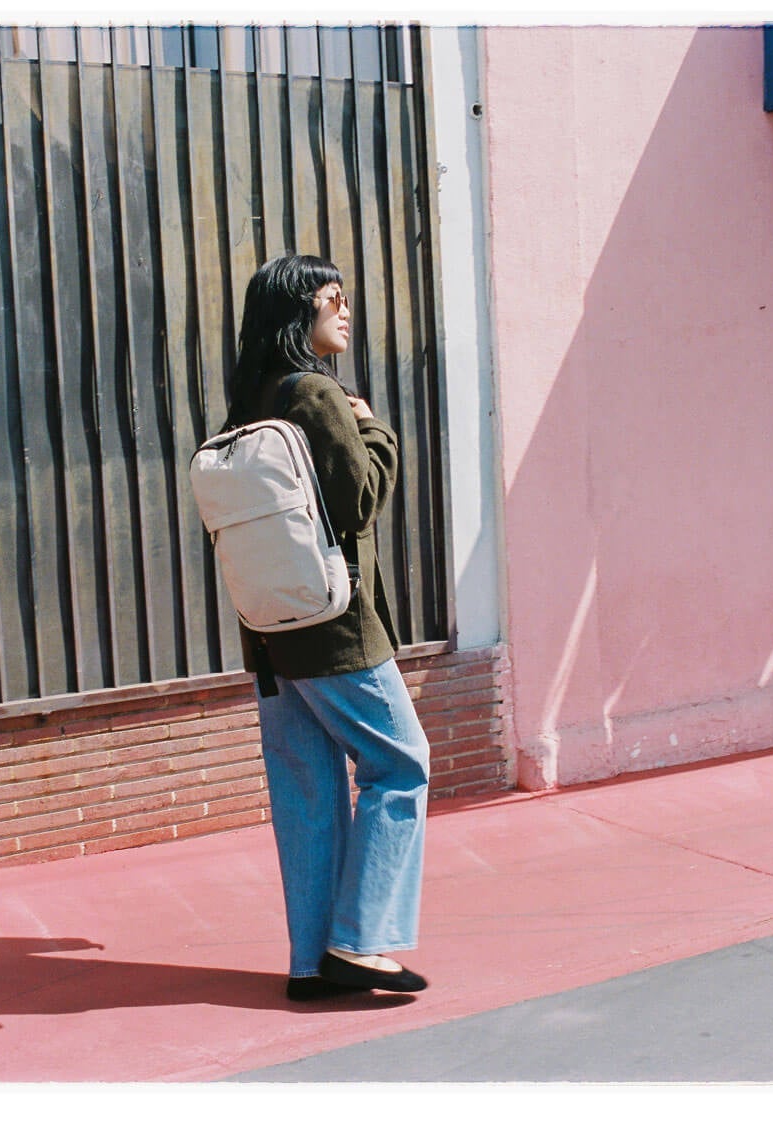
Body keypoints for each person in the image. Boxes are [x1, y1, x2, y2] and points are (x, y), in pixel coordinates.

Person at [222, 254, 432, 1001]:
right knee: (401, 764)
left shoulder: (247, 403)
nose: (345, 310)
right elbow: (358, 499)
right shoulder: (314, 392)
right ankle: (360, 941)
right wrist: (375, 430)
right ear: (297, 315)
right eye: (331, 299)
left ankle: (311, 964)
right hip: (336, 628)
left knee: (308, 791)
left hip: (271, 637)